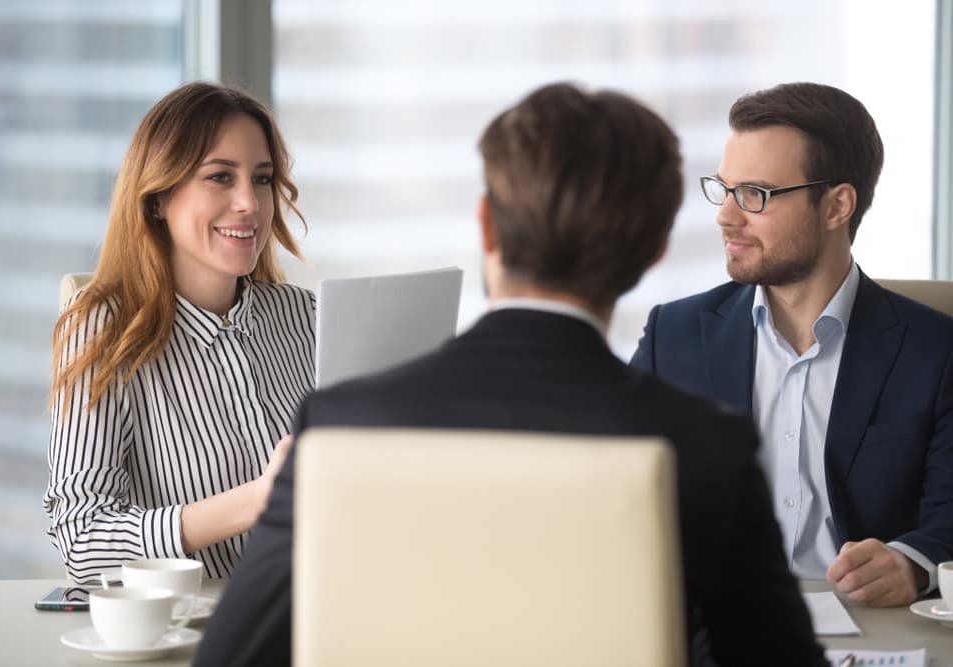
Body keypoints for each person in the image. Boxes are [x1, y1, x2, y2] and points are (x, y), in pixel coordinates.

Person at [197, 82, 826, 667]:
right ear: (655, 248)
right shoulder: (705, 446)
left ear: (486, 225)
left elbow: (232, 655)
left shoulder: (342, 425)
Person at [631, 82, 953, 608]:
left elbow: (950, 515)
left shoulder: (935, 351)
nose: (726, 216)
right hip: (715, 623)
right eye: (724, 188)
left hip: (869, 625)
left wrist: (910, 563)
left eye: (754, 195)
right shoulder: (676, 335)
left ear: (836, 207)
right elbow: (617, 488)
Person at [43, 82, 316, 583]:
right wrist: (256, 501)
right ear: (157, 200)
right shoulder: (102, 329)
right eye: (219, 177)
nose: (249, 204)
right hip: (201, 638)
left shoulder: (305, 318)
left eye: (260, 179)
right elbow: (82, 538)